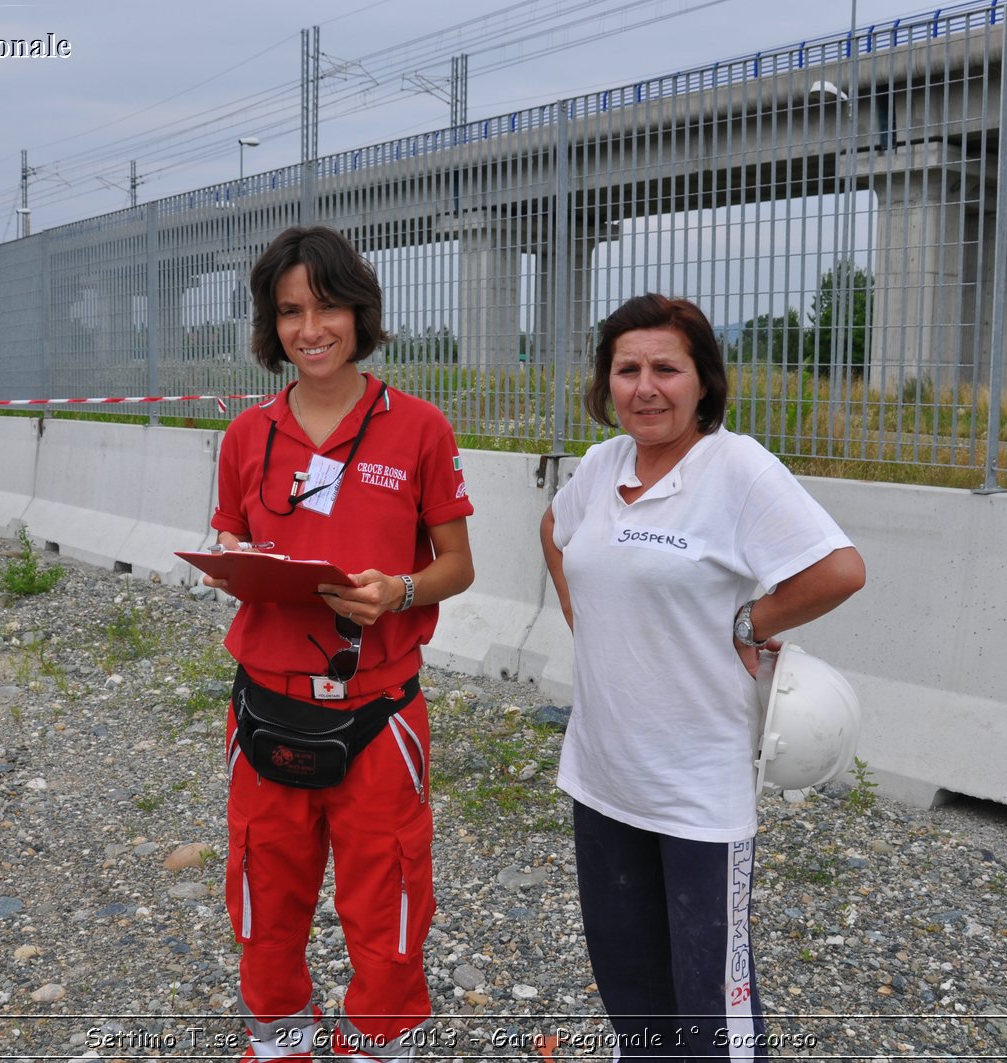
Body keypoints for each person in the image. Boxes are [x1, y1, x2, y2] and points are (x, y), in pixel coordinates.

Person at [540, 293, 864, 1061]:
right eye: (627, 369)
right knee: (627, 980)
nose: (645, 387)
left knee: (710, 1001)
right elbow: (555, 535)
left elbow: (839, 569)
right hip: (603, 772)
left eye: (666, 368)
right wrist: (589, 626)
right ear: (605, 381)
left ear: (702, 381)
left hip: (695, 786)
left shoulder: (736, 468)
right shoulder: (600, 465)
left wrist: (752, 623)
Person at [204, 225, 475, 1062]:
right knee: (263, 897)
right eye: (289, 311)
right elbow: (228, 544)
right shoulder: (248, 435)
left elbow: (458, 566)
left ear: (361, 312)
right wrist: (237, 569)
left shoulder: (418, 427)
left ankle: (378, 1043)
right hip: (267, 707)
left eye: (326, 306)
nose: (309, 328)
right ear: (269, 325)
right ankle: (280, 1040)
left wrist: (399, 590)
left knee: (388, 900)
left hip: (379, 714)